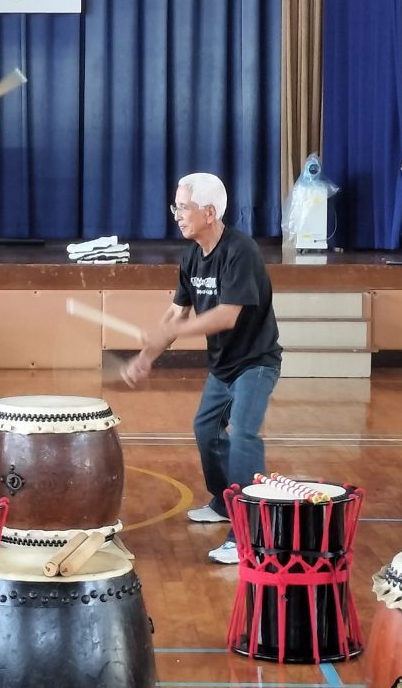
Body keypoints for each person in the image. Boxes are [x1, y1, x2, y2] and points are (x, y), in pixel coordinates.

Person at [121, 172, 281, 564]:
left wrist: (174, 331)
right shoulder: (192, 256)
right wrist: (146, 356)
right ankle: (225, 502)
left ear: (209, 213)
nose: (176, 215)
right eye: (175, 207)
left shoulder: (241, 252)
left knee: (243, 435)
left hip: (255, 362)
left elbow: (226, 315)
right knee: (206, 429)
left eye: (183, 207)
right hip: (223, 366)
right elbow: (175, 314)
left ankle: (249, 535)